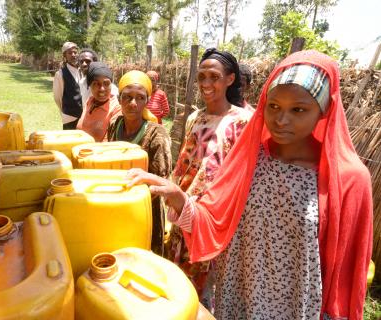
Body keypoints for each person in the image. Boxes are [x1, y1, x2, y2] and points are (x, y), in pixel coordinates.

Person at [127, 50, 373, 319]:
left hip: (295, 307)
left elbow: (348, 272)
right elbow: (214, 218)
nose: (281, 120)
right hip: (236, 297)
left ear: (324, 109)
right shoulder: (250, 157)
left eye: (298, 109)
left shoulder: (347, 179)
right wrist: (178, 196)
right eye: (274, 106)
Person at [167, 48, 253, 309]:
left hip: (214, 222)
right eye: (201, 76)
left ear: (230, 79)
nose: (206, 83)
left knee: (205, 291)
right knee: (178, 285)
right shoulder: (195, 117)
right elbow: (185, 163)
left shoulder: (243, 122)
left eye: (214, 77)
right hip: (183, 213)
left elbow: (243, 179)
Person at [107, 70, 172, 255]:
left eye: (139, 98)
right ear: (119, 99)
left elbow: (163, 179)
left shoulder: (156, 134)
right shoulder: (115, 124)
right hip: (116, 203)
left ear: (147, 101)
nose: (133, 103)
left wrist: (134, 199)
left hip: (145, 209)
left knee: (144, 255)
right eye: (127, 97)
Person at [76, 62, 121, 142]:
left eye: (106, 83)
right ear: (90, 86)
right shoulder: (90, 101)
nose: (102, 89)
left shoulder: (116, 109)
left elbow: (109, 141)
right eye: (96, 84)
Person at [53, 41, 83, 129]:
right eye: (70, 53)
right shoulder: (60, 74)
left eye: (75, 52)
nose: (73, 55)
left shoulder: (82, 71)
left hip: (84, 117)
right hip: (70, 118)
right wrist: (67, 112)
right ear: (65, 56)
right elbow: (57, 98)